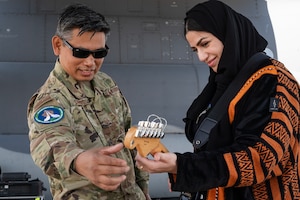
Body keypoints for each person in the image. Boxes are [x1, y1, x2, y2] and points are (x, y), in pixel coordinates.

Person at [135, 1, 299, 200]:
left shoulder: (272, 79)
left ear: (228, 35)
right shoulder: (225, 83)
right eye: (195, 50)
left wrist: (182, 165)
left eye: (205, 44)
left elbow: (259, 158)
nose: (202, 57)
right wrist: (182, 168)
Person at [27, 3, 150, 200]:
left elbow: (128, 138)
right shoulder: (51, 99)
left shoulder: (105, 83)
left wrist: (143, 188)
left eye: (99, 53)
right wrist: (79, 160)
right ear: (58, 45)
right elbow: (50, 147)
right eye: (81, 53)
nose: (90, 63)